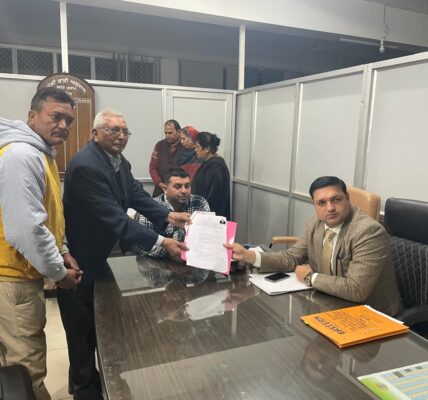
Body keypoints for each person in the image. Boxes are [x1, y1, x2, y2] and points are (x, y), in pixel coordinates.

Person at [58, 109, 191, 400]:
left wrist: (168, 215)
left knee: (100, 324)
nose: (121, 136)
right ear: (95, 133)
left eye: (124, 131)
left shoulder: (118, 161)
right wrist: (162, 241)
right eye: (113, 130)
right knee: (81, 332)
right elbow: (116, 219)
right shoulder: (86, 166)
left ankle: (90, 379)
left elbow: (136, 195)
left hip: (100, 255)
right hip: (78, 260)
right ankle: (84, 390)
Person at [0, 87, 82, 400]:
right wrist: (60, 275)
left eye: (68, 120)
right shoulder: (22, 155)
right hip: (13, 279)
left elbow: (47, 214)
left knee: (11, 367)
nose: (63, 125)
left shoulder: (41, 153)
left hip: (17, 275)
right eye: (55, 116)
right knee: (25, 372)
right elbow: (27, 229)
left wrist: (62, 250)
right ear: (32, 116)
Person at [226, 176, 402, 316]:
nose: (330, 208)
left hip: (371, 314)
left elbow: (356, 289)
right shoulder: (316, 223)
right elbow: (291, 258)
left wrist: (311, 278)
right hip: (332, 303)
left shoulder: (368, 231)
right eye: (322, 203)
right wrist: (249, 256)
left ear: (347, 198)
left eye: (336, 199)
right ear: (315, 205)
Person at [134, 167, 210, 259]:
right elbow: (142, 246)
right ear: (165, 188)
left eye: (187, 186)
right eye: (177, 186)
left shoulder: (199, 203)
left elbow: (207, 237)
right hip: (157, 262)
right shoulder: (151, 207)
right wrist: (172, 251)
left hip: (192, 259)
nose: (184, 191)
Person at [191, 131, 231, 219]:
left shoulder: (215, 167)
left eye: (197, 147)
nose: (195, 150)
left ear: (207, 149)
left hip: (211, 215)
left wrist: (205, 214)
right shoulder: (208, 163)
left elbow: (214, 196)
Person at [149, 119, 184, 197]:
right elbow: (152, 167)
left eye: (170, 133)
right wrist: (159, 183)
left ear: (179, 132)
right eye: (166, 133)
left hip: (179, 190)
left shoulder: (185, 145)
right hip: (160, 189)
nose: (167, 135)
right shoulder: (159, 145)